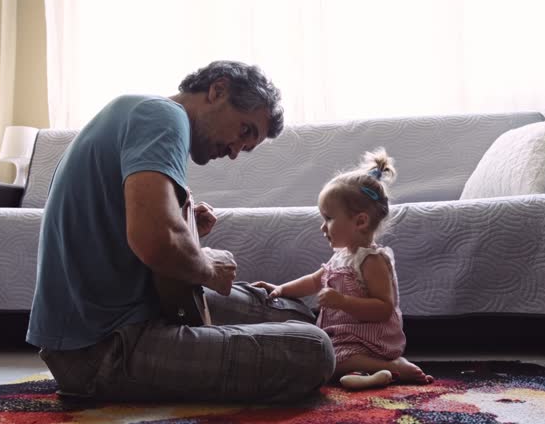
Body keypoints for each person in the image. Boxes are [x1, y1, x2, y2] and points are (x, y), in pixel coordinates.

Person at [26, 61, 335, 402]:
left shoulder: (139, 111)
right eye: (244, 131)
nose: (234, 152)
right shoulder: (164, 118)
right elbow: (156, 243)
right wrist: (208, 266)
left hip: (124, 315)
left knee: (290, 311)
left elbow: (137, 241)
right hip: (100, 350)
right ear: (218, 91)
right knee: (315, 349)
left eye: (245, 147)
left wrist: (188, 233)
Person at [253, 148, 434, 390]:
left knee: (328, 360)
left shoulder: (372, 260)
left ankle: (393, 366)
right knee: (320, 355)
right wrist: (281, 289)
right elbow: (315, 280)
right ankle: (369, 374)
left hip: (370, 341)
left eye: (328, 218)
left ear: (360, 221)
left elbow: (383, 308)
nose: (322, 227)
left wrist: (342, 301)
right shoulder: (341, 256)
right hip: (344, 337)